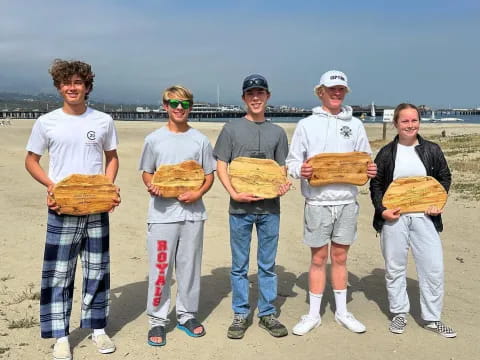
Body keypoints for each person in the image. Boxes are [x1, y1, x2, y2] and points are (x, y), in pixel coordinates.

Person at [25, 59, 120, 360]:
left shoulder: (103, 121)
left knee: (97, 269)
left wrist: (108, 187)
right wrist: (51, 187)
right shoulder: (47, 122)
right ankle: (61, 335)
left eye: (78, 82)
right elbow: (31, 160)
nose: (72, 87)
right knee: (58, 273)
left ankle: (97, 328)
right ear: (59, 86)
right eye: (66, 82)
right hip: (62, 207)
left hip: (96, 209)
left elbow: (112, 158)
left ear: (87, 86)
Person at [286, 70, 377, 336]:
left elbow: (364, 159)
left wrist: (369, 170)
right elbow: (292, 161)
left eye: (341, 89)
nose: (336, 93)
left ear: (345, 92)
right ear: (321, 92)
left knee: (340, 256)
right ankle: (313, 314)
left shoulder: (356, 124)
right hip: (317, 202)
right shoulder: (306, 124)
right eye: (331, 89)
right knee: (318, 257)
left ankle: (342, 312)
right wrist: (298, 171)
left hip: (347, 201)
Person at [214, 74, 291, 339]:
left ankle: (267, 313)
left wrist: (283, 184)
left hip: (270, 209)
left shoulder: (278, 132)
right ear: (244, 98)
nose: (255, 98)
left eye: (260, 93)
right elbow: (221, 164)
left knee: (267, 265)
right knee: (239, 265)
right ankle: (240, 313)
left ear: (267, 96)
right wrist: (234, 193)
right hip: (240, 209)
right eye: (250, 94)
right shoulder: (231, 129)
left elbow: (281, 169)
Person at [369, 103, 456, 338]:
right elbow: (376, 184)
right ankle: (399, 313)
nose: (410, 125)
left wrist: (438, 203)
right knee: (395, 267)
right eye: (405, 121)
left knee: (433, 267)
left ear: (419, 122)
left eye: (414, 120)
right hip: (394, 218)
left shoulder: (432, 150)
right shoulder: (387, 153)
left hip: (425, 216)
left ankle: (433, 318)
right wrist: (382, 210)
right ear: (396, 124)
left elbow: (444, 177)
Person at [139, 85, 215, 346]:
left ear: (191, 107)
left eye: (184, 104)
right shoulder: (153, 139)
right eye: (174, 103)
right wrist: (152, 186)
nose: (179, 108)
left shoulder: (200, 140)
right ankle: (157, 320)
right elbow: (147, 172)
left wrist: (198, 194)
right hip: (162, 215)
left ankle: (187, 315)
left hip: (193, 215)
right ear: (165, 106)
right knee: (161, 269)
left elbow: (208, 175)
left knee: (190, 268)